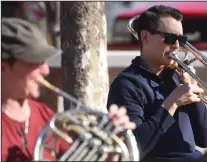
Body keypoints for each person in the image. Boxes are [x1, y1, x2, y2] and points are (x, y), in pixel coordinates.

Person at [1, 18, 136, 162]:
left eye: (44, 61)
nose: (45, 70)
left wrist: (110, 147)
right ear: (3, 67)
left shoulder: (45, 116)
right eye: (35, 61)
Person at [107, 5, 207, 162]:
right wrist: (172, 103)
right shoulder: (126, 84)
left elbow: (204, 139)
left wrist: (193, 94)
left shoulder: (177, 77)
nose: (177, 45)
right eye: (170, 38)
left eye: (181, 39)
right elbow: (134, 147)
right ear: (145, 37)